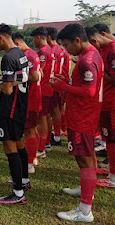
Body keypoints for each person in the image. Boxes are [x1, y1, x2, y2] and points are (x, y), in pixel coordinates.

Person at [51, 24, 103, 222]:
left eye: (66, 45)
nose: (65, 50)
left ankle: (85, 210)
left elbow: (89, 92)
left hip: (82, 117)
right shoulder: (91, 54)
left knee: (84, 159)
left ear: (77, 41)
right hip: (85, 115)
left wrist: (63, 86)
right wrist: (68, 81)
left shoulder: (86, 61)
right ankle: (85, 188)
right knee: (87, 157)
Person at [0, 24, 29, 204]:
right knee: (19, 144)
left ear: (1, 37)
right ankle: (24, 181)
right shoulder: (21, 54)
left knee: (10, 147)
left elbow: (7, 90)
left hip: (10, 109)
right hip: (21, 106)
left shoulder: (8, 58)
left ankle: (18, 194)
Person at [86, 26, 115, 188]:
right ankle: (111, 168)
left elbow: (113, 78)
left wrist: (97, 71)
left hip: (111, 102)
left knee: (112, 139)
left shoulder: (112, 50)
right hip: (105, 100)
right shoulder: (106, 49)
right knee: (108, 137)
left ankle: (113, 178)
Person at [12, 32, 41, 173]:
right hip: (32, 97)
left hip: (31, 98)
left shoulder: (28, 55)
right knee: (31, 129)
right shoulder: (30, 54)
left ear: (17, 43)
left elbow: (34, 77)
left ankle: (29, 164)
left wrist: (13, 78)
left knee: (29, 130)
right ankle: (33, 157)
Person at [31, 27, 55, 158]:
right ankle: (46, 143)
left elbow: (40, 71)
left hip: (43, 88)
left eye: (33, 39)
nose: (33, 42)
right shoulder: (50, 50)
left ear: (38, 38)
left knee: (42, 118)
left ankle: (41, 148)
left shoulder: (42, 52)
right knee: (45, 117)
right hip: (48, 88)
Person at [47, 27, 67, 146]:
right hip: (62, 81)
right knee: (60, 108)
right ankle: (61, 130)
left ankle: (57, 136)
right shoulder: (63, 50)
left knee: (53, 111)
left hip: (54, 83)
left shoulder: (51, 51)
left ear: (48, 37)